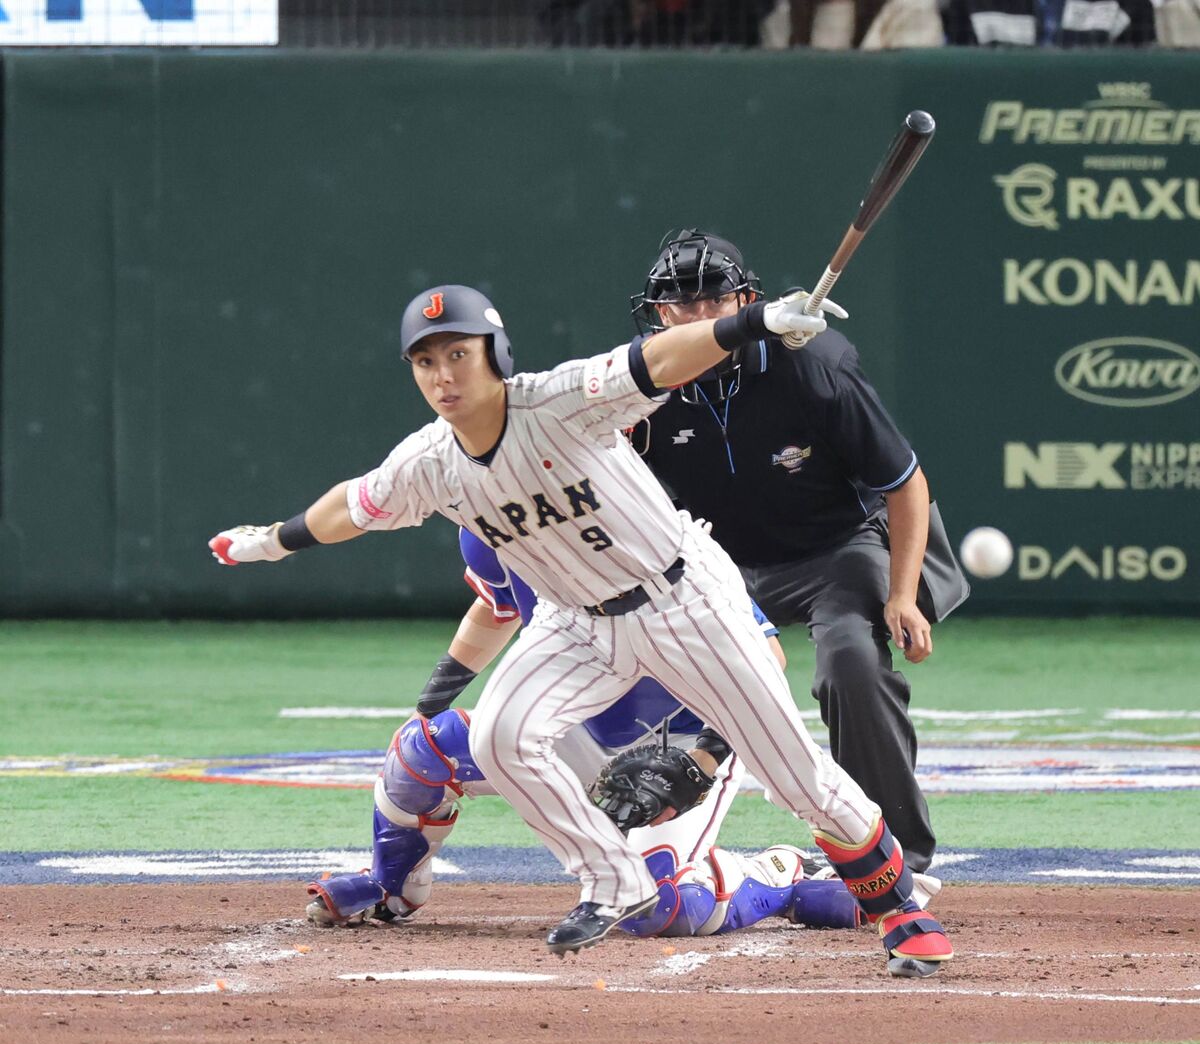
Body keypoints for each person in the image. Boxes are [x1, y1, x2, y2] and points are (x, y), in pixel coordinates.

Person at [209, 281, 952, 976]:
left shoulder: (560, 401)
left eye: (459, 354)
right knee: (502, 735)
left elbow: (657, 359)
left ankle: (900, 909)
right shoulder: (430, 462)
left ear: (496, 354)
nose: (444, 375)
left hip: (682, 600)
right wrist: (274, 540)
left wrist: (752, 323)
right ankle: (613, 879)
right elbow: (354, 504)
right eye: (426, 362)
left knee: (799, 779)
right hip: (577, 623)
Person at [303, 526, 908, 939]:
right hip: (568, 727)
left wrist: (701, 759)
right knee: (424, 750)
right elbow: (499, 603)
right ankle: (392, 887)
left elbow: (765, 661)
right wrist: (438, 691)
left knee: (661, 910)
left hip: (678, 744)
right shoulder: (490, 517)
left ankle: (780, 878)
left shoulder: (651, 532)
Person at [628, 229, 970, 876]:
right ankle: (643, 850)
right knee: (630, 661)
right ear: (658, 315)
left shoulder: (813, 365)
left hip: (836, 550)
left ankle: (893, 858)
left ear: (746, 301)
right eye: (679, 306)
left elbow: (905, 483)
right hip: (717, 565)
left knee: (851, 664)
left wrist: (902, 595)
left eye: (713, 301)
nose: (697, 317)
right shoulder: (637, 387)